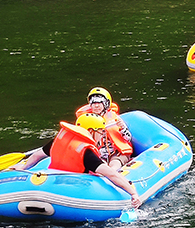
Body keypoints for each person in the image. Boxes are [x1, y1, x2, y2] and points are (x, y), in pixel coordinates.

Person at [13, 114, 141, 207]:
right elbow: (111, 174)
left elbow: (36, 156)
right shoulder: (86, 152)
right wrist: (133, 193)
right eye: (101, 132)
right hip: (72, 190)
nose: (102, 135)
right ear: (91, 131)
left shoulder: (58, 140)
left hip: (51, 182)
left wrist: (22, 168)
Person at [78, 87, 133, 169]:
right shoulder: (85, 120)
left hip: (117, 152)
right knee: (100, 166)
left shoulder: (115, 119)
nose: (96, 106)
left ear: (106, 104)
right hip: (100, 154)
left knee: (114, 165)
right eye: (94, 103)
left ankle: (114, 174)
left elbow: (128, 138)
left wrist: (122, 128)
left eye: (99, 103)